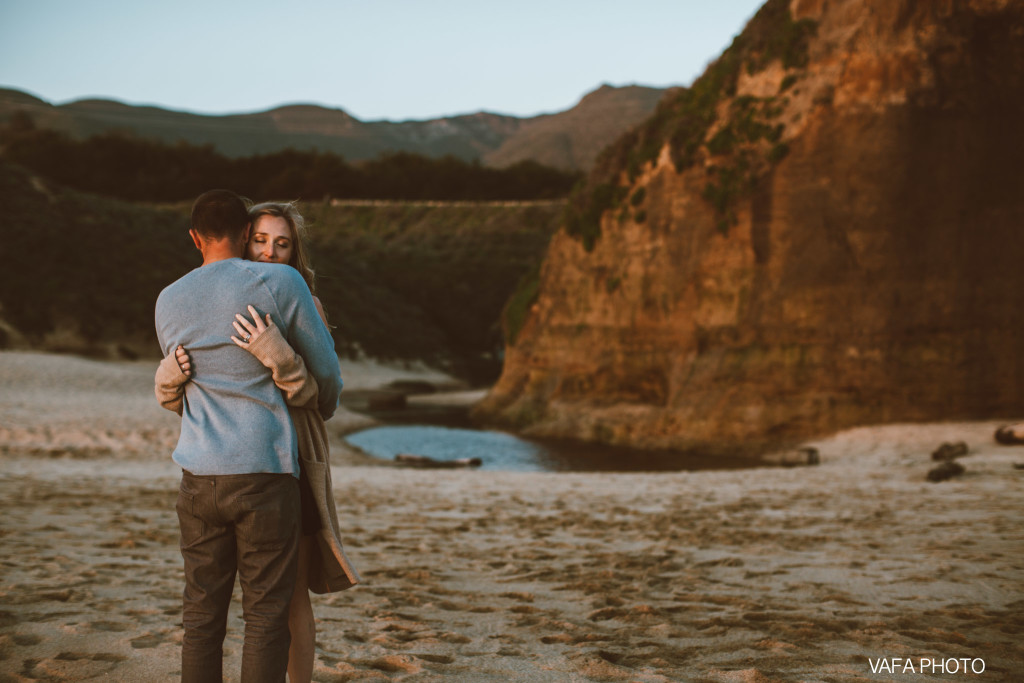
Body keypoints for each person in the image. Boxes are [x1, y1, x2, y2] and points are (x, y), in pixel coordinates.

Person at [156, 201, 359, 683]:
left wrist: (167, 385)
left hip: (198, 475)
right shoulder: (282, 286)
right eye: (262, 240)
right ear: (245, 233)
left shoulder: (168, 299)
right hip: (266, 471)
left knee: (202, 617)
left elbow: (189, 388)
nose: (269, 251)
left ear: (194, 237)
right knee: (267, 616)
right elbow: (328, 385)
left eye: (281, 243)